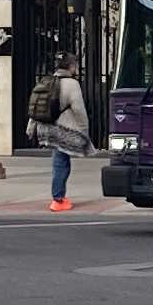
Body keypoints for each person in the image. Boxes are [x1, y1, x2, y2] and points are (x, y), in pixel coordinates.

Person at [32, 54, 93, 212]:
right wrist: (84, 130)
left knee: (59, 161)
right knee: (61, 163)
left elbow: (37, 106)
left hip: (45, 128)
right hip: (61, 130)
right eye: (76, 65)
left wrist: (31, 126)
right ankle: (58, 199)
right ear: (71, 67)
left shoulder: (47, 81)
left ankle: (59, 195)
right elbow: (79, 110)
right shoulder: (72, 84)